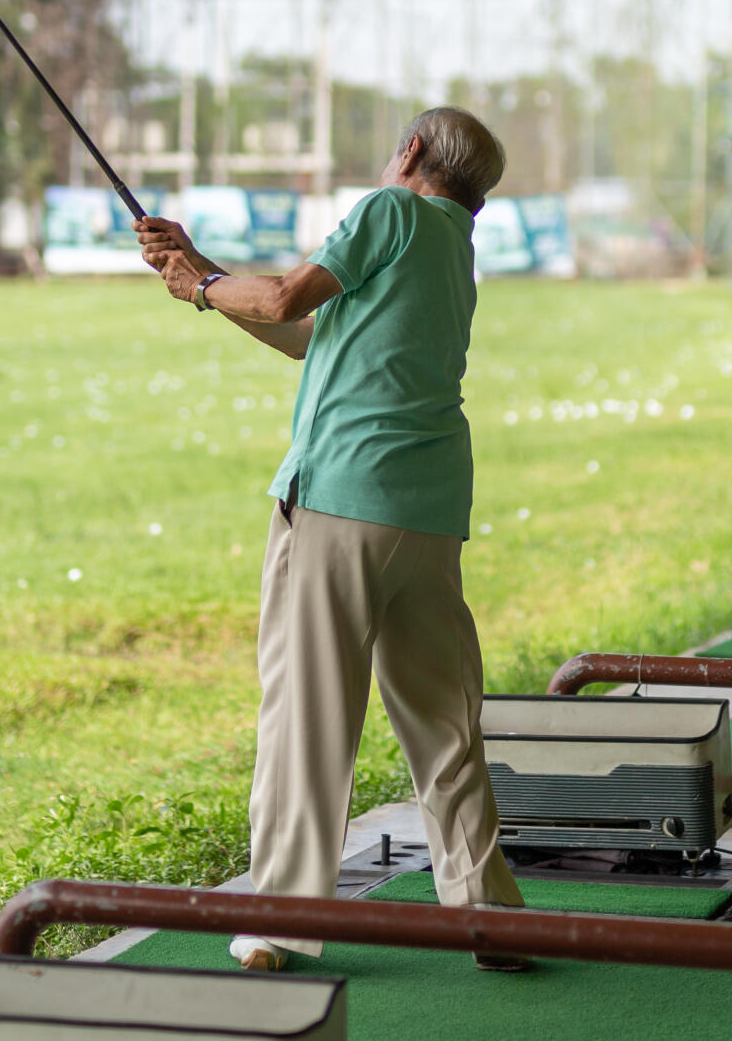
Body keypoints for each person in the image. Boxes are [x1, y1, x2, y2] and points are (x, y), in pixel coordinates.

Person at [133, 107, 527, 973]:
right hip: (425, 514)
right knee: (444, 728)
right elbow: (305, 334)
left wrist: (201, 284)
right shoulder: (452, 245)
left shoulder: (388, 210)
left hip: (341, 501)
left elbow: (279, 297)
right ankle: (492, 917)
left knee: (306, 725)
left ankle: (277, 922)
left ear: (412, 152)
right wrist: (197, 273)